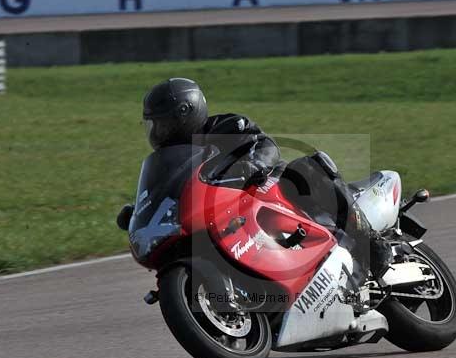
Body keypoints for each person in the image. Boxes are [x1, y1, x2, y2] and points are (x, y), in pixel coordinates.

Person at [118, 77, 390, 285]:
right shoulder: (171, 161)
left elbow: (266, 145)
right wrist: (142, 212)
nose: (157, 132)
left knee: (307, 169)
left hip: (267, 189)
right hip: (228, 215)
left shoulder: (226, 127)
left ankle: (370, 243)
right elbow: (172, 191)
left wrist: (255, 163)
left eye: (162, 124)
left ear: (186, 115)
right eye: (153, 126)